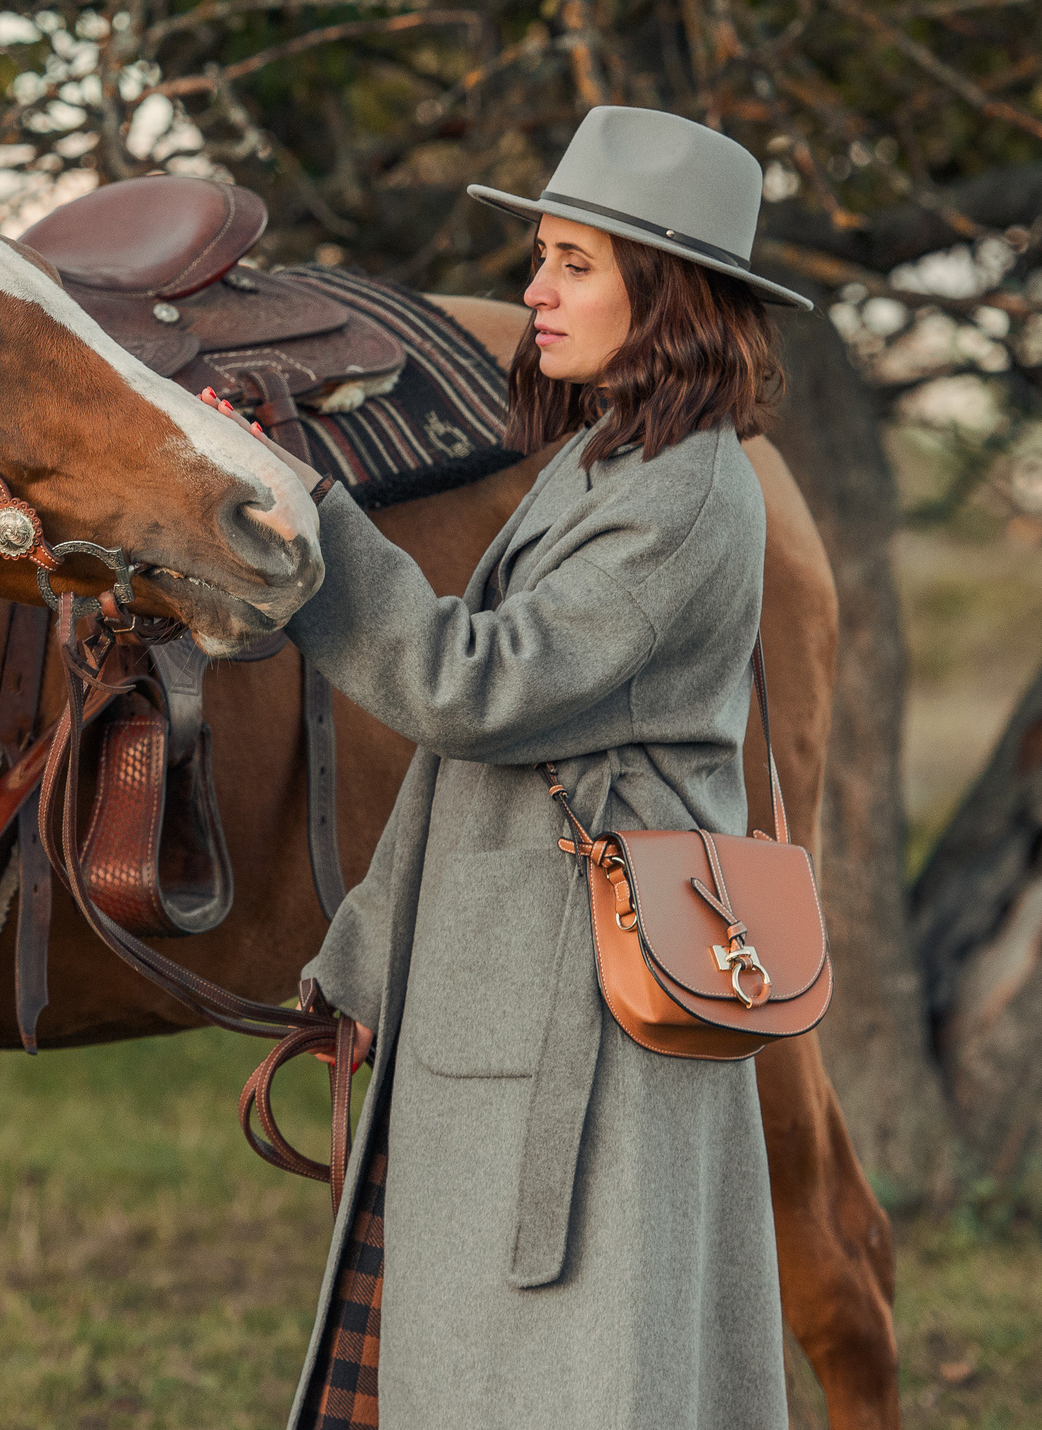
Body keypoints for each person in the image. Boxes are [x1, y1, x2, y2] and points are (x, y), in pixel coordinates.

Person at [207, 106, 815, 1429]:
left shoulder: (688, 495)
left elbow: (471, 690)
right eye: (541, 255)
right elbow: (473, 775)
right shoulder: (607, 460)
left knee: (570, 1379)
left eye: (574, 263)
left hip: (584, 1021)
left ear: (674, 295)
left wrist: (315, 525)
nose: (534, 289)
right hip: (513, 997)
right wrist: (366, 954)